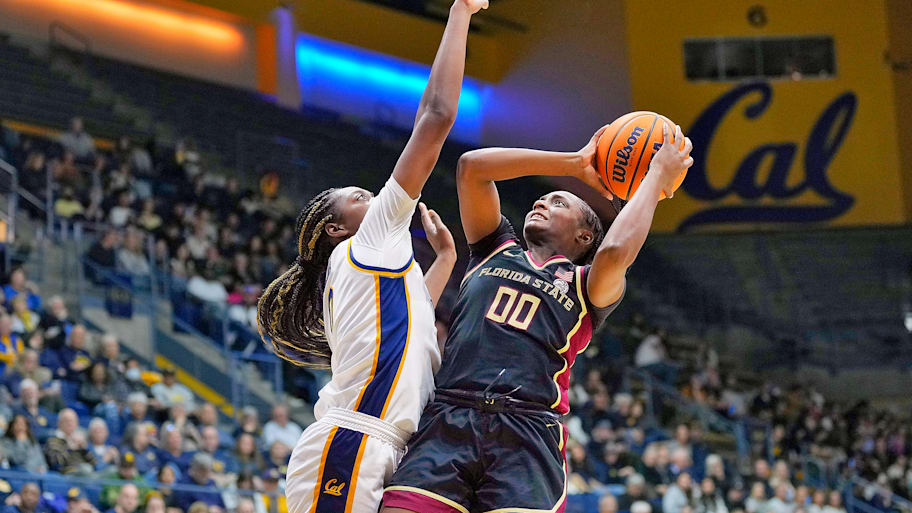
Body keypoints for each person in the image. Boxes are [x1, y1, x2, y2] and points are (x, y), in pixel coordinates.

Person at [382, 124, 693, 510]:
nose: (541, 203)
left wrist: (656, 176)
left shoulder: (588, 285)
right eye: (541, 199)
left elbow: (614, 251)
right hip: (449, 416)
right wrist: (575, 164)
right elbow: (471, 168)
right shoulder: (494, 249)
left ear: (584, 237)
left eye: (558, 203)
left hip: (527, 432)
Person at [260, 2, 486, 512]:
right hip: (353, 444)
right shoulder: (363, 243)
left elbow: (410, 328)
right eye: (361, 198)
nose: (378, 200)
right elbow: (437, 116)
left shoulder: (374, 270)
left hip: (381, 448)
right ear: (338, 228)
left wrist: (444, 262)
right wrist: (462, 12)